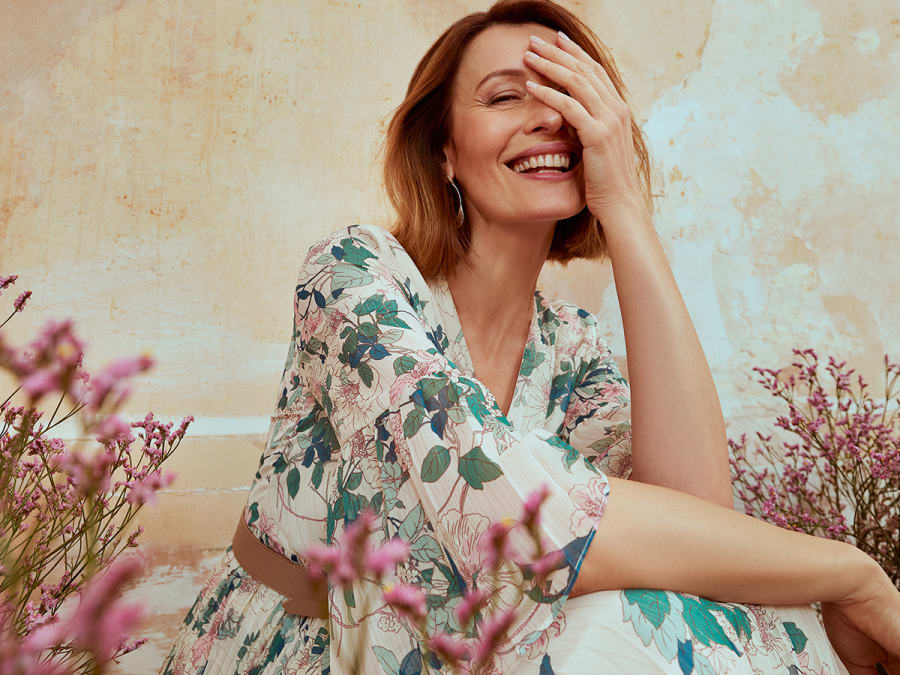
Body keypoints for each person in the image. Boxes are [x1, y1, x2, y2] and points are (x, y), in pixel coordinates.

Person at [161, 1, 900, 673]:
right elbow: (498, 507)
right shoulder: (356, 273)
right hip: (316, 650)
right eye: (505, 95)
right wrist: (851, 570)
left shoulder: (570, 348)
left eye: (568, 98)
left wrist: (627, 211)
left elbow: (697, 530)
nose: (546, 118)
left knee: (681, 615)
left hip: (469, 652)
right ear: (444, 150)